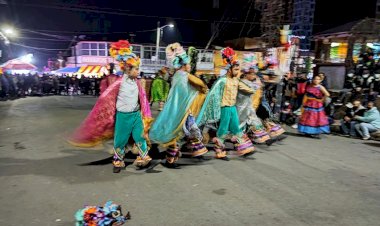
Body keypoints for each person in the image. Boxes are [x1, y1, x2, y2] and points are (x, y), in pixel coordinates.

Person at [68, 40, 153, 173]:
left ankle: (143, 155)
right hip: (123, 116)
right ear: (127, 69)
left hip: (136, 115)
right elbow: (105, 98)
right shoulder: (118, 83)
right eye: (136, 69)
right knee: (121, 139)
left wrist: (145, 114)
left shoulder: (137, 83)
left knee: (140, 136)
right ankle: (118, 159)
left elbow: (143, 99)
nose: (138, 71)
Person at [149, 43, 209, 168]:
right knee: (183, 131)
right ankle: (174, 158)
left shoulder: (177, 76)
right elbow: (197, 86)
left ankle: (178, 156)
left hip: (177, 109)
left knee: (182, 132)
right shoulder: (184, 76)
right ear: (184, 65)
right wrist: (201, 90)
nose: (189, 66)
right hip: (183, 110)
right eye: (188, 64)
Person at [196, 47, 255, 160]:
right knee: (223, 130)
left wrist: (254, 87)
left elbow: (248, 90)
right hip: (224, 108)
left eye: (238, 70)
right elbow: (212, 95)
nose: (238, 72)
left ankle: (243, 148)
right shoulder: (222, 81)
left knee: (236, 128)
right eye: (236, 69)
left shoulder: (236, 81)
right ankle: (219, 152)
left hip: (232, 108)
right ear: (229, 69)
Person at [236, 67, 274, 145]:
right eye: (252, 74)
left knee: (255, 123)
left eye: (254, 74)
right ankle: (241, 144)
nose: (254, 76)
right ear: (246, 74)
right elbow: (251, 90)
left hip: (249, 107)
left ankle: (266, 140)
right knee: (241, 127)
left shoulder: (249, 82)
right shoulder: (242, 82)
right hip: (242, 108)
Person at [298, 74, 330, 138]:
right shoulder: (309, 86)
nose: (316, 80)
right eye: (315, 79)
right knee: (307, 117)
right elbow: (306, 95)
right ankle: (307, 131)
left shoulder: (320, 87)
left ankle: (315, 132)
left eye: (318, 79)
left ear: (320, 80)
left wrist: (322, 100)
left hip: (316, 104)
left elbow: (327, 94)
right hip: (308, 103)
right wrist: (303, 103)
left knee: (315, 118)